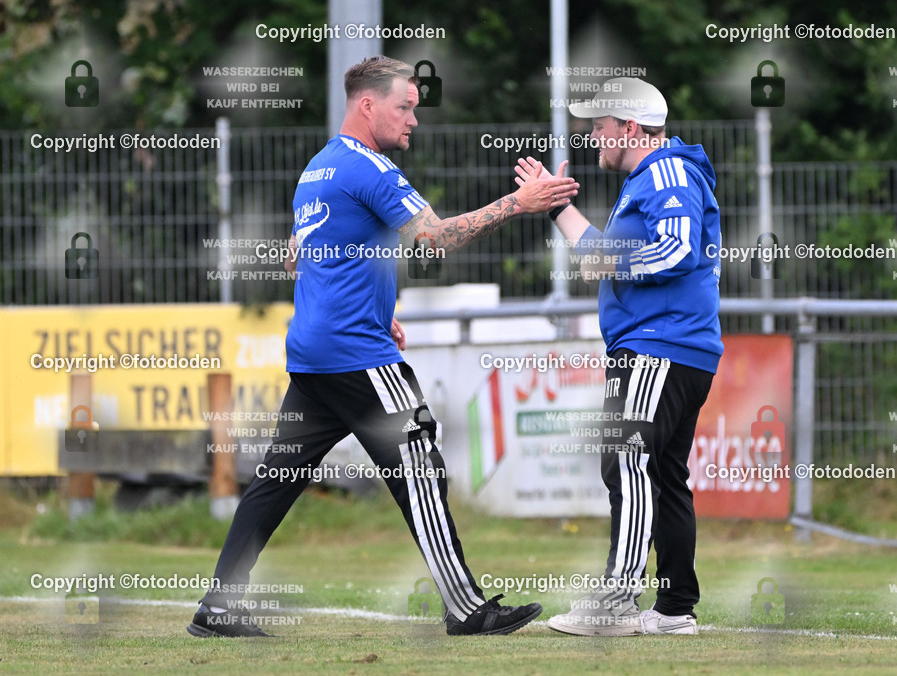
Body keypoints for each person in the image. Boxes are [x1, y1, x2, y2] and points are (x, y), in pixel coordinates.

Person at [188, 55, 578, 638]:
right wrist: (517, 204)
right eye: (405, 107)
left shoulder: (317, 169)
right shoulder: (371, 168)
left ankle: (219, 607)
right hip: (357, 355)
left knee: (276, 481)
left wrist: (374, 304)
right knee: (420, 469)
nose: (413, 119)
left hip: (314, 356)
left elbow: (299, 257)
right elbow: (434, 239)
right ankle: (467, 608)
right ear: (368, 105)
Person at [516, 77, 722, 636]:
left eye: (599, 126)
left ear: (630, 127)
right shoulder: (649, 178)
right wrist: (557, 206)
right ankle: (674, 609)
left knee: (624, 461)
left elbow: (676, 250)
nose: (592, 136)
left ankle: (615, 602)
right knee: (662, 474)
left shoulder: (667, 170)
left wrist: (613, 263)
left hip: (658, 347)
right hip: (669, 348)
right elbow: (602, 252)